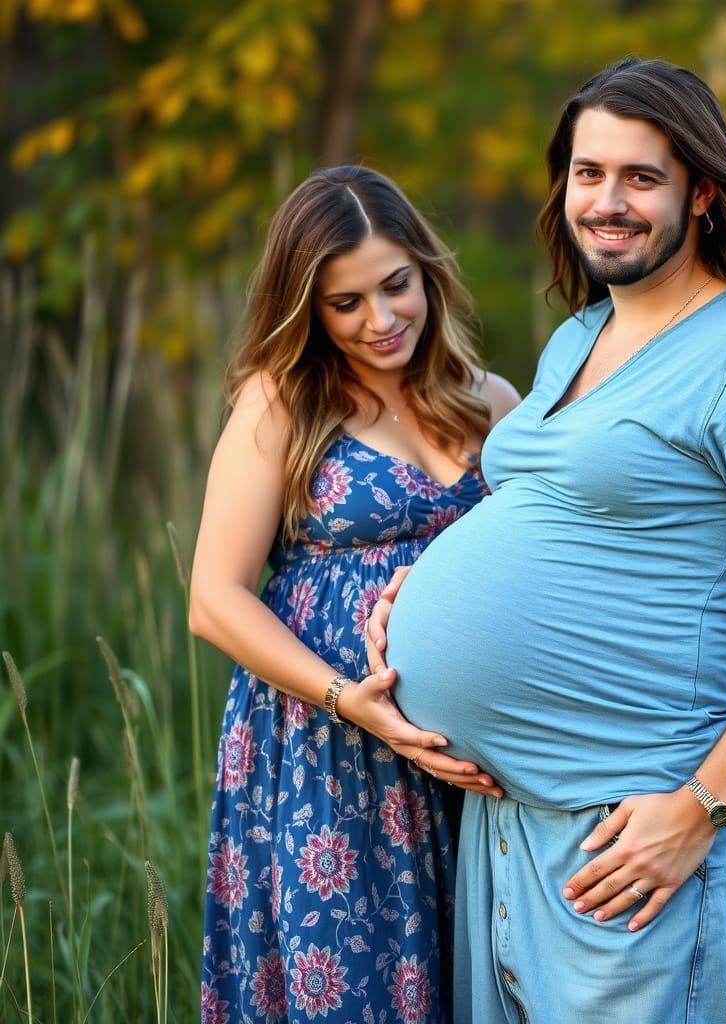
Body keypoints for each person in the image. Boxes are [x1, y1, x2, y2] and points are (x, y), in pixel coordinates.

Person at [366, 58, 726, 1022]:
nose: (607, 201)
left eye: (641, 178)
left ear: (703, 192)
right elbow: (570, 518)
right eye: (587, 173)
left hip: (634, 843)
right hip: (507, 828)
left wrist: (700, 811)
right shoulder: (578, 338)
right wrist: (415, 595)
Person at [188, 165, 517, 1023]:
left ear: (426, 271)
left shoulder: (493, 404)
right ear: (309, 310)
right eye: (346, 303)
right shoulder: (284, 404)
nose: (382, 319)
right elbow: (215, 597)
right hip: (327, 753)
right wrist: (351, 701)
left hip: (465, 764)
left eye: (396, 285)